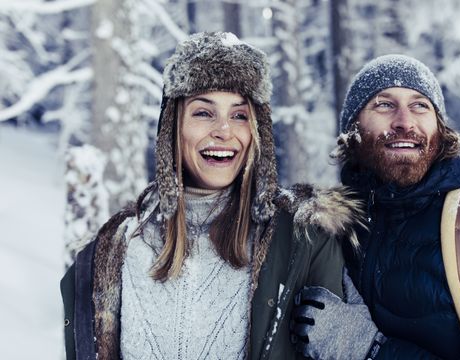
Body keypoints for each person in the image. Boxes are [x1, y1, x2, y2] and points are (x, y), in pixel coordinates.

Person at [60, 32, 368, 360]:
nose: (224, 130)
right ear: (172, 128)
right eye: (204, 113)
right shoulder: (112, 248)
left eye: (239, 115)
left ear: (256, 131)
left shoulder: (303, 238)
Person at [291, 54, 460, 359]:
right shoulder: (324, 233)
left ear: (441, 130)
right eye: (384, 104)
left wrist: (369, 348)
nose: (405, 122)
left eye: (420, 105)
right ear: (353, 128)